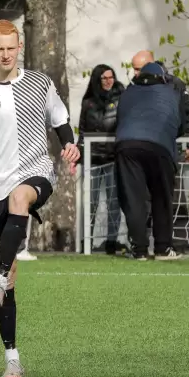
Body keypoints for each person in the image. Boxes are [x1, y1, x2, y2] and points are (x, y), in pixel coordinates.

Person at [0, 19, 78, 377]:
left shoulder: (39, 83)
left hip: (36, 172)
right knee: (10, 279)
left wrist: (69, 144)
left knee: (19, 199)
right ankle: (12, 357)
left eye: (11, 47)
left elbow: (61, 120)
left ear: (19, 46)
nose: (6, 54)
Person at [115, 61, 187, 260]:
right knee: (162, 198)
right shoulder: (172, 92)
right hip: (160, 146)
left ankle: (139, 250)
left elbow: (120, 119)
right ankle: (163, 248)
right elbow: (180, 125)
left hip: (127, 145)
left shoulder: (128, 92)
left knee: (134, 200)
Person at [77, 64, 125, 254]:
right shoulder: (88, 101)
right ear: (97, 80)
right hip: (93, 159)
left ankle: (112, 241)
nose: (108, 81)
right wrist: (78, 155)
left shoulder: (122, 97)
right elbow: (82, 130)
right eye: (104, 78)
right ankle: (86, 241)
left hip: (114, 157)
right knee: (91, 201)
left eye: (110, 77)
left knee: (114, 202)